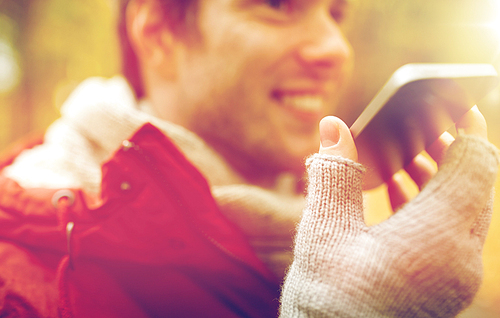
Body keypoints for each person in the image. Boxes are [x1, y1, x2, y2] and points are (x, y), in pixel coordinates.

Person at [0, 0, 498, 317]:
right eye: (277, 4)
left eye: (336, 12)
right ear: (158, 32)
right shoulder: (21, 291)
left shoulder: (313, 229)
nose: (335, 48)